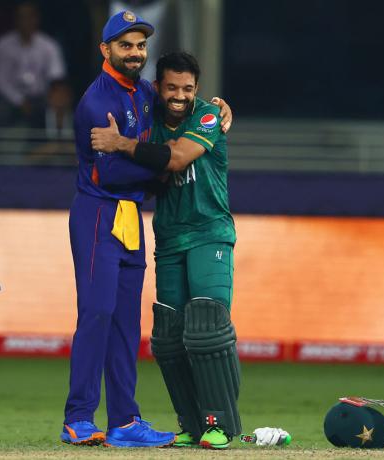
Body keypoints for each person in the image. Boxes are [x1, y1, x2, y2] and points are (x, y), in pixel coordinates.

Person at [62, 11, 232, 448]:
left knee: (125, 322)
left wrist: (216, 105)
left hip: (131, 219)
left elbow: (181, 105)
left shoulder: (143, 92)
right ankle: (78, 417)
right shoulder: (96, 102)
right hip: (99, 212)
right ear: (106, 50)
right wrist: (158, 173)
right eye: (125, 46)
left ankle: (124, 421)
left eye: (140, 46)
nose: (135, 53)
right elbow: (112, 173)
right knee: (97, 313)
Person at [0, 1, 66, 127]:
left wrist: (55, 96)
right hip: (10, 99)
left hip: (41, 98)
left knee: (58, 104)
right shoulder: (3, 45)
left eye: (30, 17)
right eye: (22, 17)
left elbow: (56, 77)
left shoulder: (49, 45)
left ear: (37, 19)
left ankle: (55, 144)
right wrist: (20, 101)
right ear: (15, 20)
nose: (26, 21)